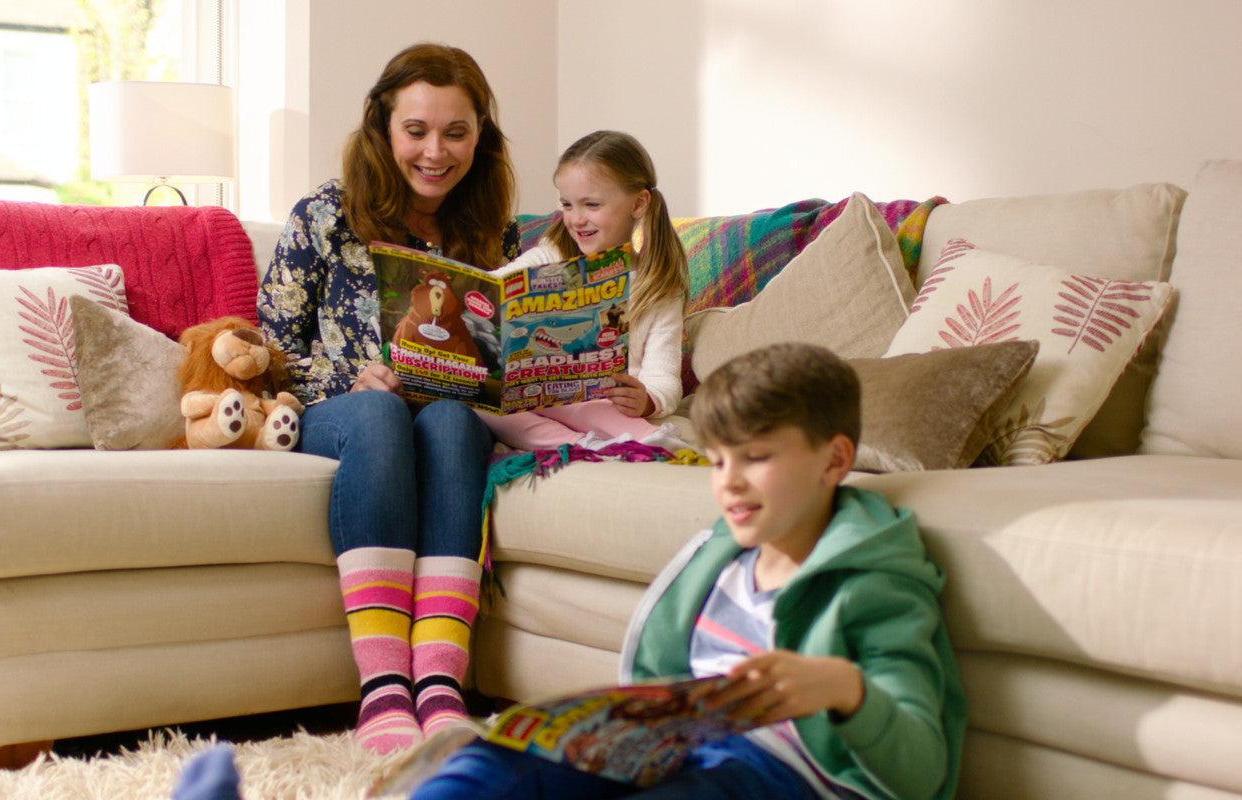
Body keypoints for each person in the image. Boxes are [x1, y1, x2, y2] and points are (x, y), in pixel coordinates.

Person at [406, 343, 968, 800]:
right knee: (494, 763)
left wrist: (848, 690)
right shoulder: (721, 558)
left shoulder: (874, 581)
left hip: (781, 774)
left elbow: (920, 769)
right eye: (720, 460)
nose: (730, 482)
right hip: (674, 749)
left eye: (758, 457)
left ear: (836, 459)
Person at [255, 42, 520, 754]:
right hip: (345, 416)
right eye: (417, 130)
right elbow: (273, 345)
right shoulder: (324, 215)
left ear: (480, 138)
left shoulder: (499, 235)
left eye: (456, 132)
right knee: (380, 413)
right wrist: (351, 380)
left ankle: (439, 682)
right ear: (382, 126)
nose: (436, 151)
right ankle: (382, 689)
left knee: (455, 423)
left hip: (444, 418)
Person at [478, 130, 690, 452]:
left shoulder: (658, 286)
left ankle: (647, 441)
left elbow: (665, 379)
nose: (576, 219)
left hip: (604, 400)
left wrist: (647, 400)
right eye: (567, 204)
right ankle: (579, 446)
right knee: (479, 397)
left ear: (639, 203)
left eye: (591, 204)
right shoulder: (551, 255)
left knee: (598, 407)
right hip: (536, 395)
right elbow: (497, 282)